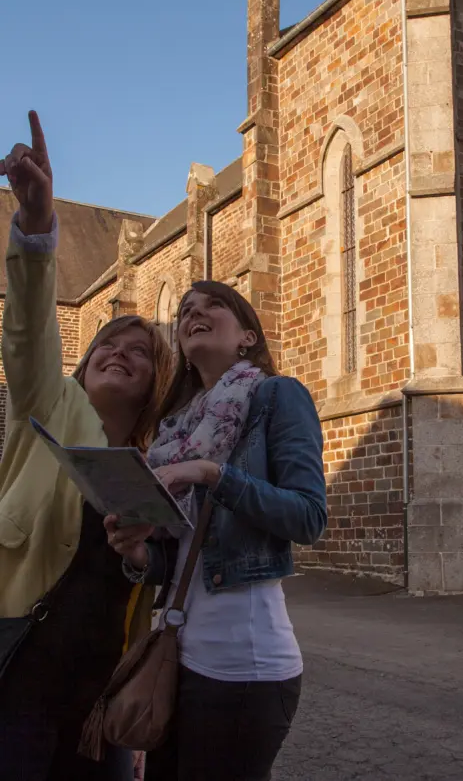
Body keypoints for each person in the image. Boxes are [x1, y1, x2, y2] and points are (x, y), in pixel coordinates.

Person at [0, 112, 174, 781]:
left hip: (98, 704)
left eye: (139, 352)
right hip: (16, 678)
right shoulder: (49, 402)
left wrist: (138, 562)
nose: (121, 353)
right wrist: (39, 226)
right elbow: (27, 331)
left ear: (154, 384)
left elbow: (155, 579)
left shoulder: (156, 460)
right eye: (109, 344)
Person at [105, 279, 328, 781]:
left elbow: (309, 516)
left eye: (212, 306)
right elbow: (185, 556)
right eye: (185, 310)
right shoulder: (175, 431)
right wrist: (139, 554)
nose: (193, 314)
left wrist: (212, 474)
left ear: (248, 335)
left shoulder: (277, 396)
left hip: (244, 667)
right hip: (176, 660)